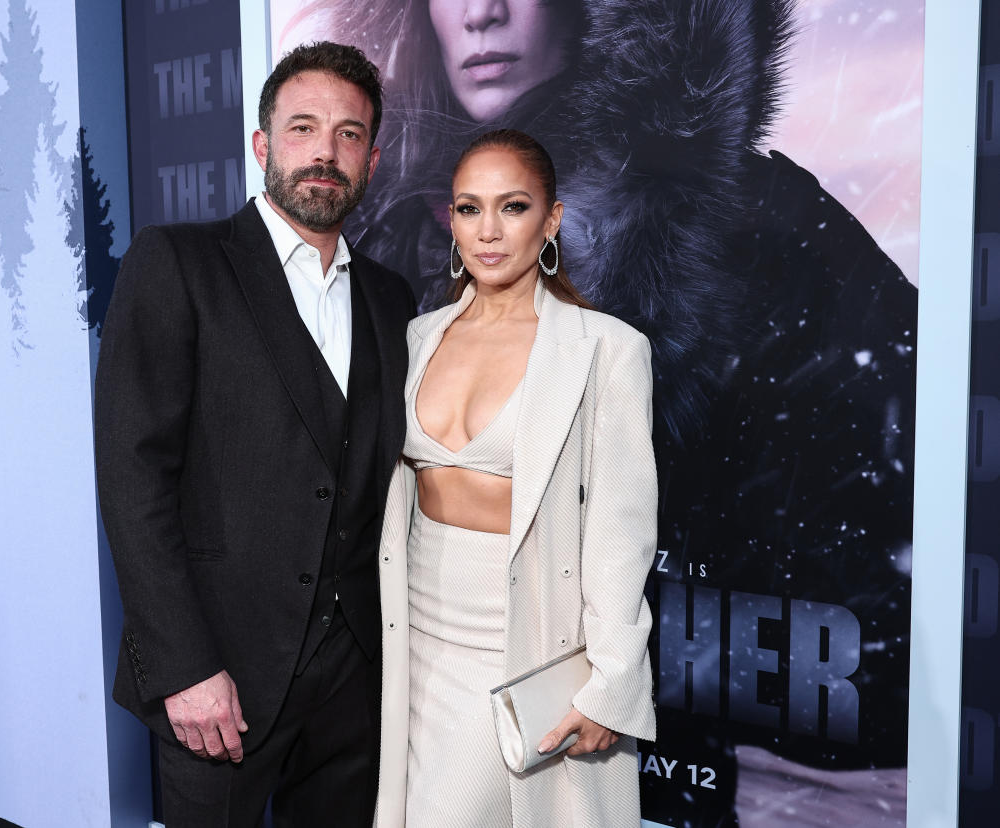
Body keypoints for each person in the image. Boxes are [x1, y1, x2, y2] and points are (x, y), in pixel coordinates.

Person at [284, 1, 918, 823]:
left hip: (658, 720)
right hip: (416, 668)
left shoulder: (749, 229)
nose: (482, 13)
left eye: (512, 209)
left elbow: (881, 508)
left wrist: (628, 676)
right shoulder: (382, 264)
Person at [94, 41, 417, 826]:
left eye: (348, 134)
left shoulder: (391, 298)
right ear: (263, 145)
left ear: (371, 161)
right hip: (218, 679)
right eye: (303, 127)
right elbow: (133, 480)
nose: (325, 152)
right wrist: (184, 667)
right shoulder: (177, 264)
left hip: (355, 683)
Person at [373, 129, 657, 827]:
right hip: (408, 641)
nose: (489, 231)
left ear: (551, 219)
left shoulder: (606, 350)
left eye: (514, 207)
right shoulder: (415, 337)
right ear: (451, 221)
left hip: (522, 648)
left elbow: (622, 529)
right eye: (470, 209)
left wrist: (612, 681)